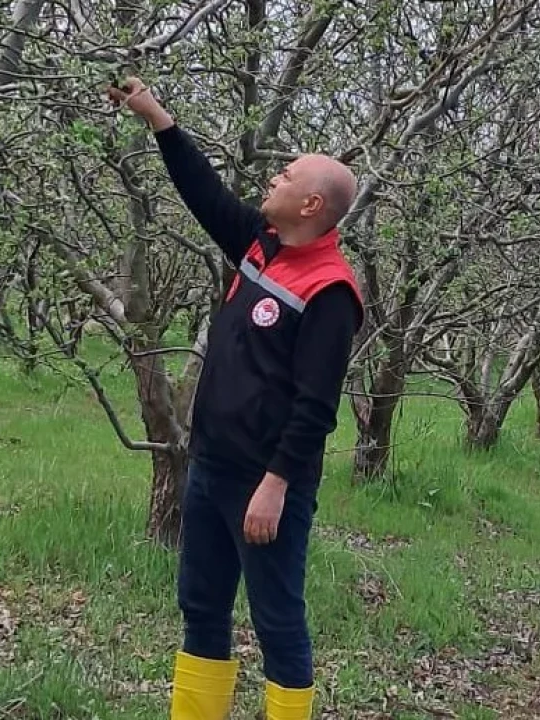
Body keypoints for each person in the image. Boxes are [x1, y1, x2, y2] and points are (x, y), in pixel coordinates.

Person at [107, 77, 364, 720]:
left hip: (265, 483)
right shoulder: (261, 244)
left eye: (286, 175)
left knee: (277, 619)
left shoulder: (331, 290)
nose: (273, 177)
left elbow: (315, 407)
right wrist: (158, 118)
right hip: (211, 467)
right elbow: (205, 194)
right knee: (201, 606)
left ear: (311, 204)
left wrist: (275, 487)